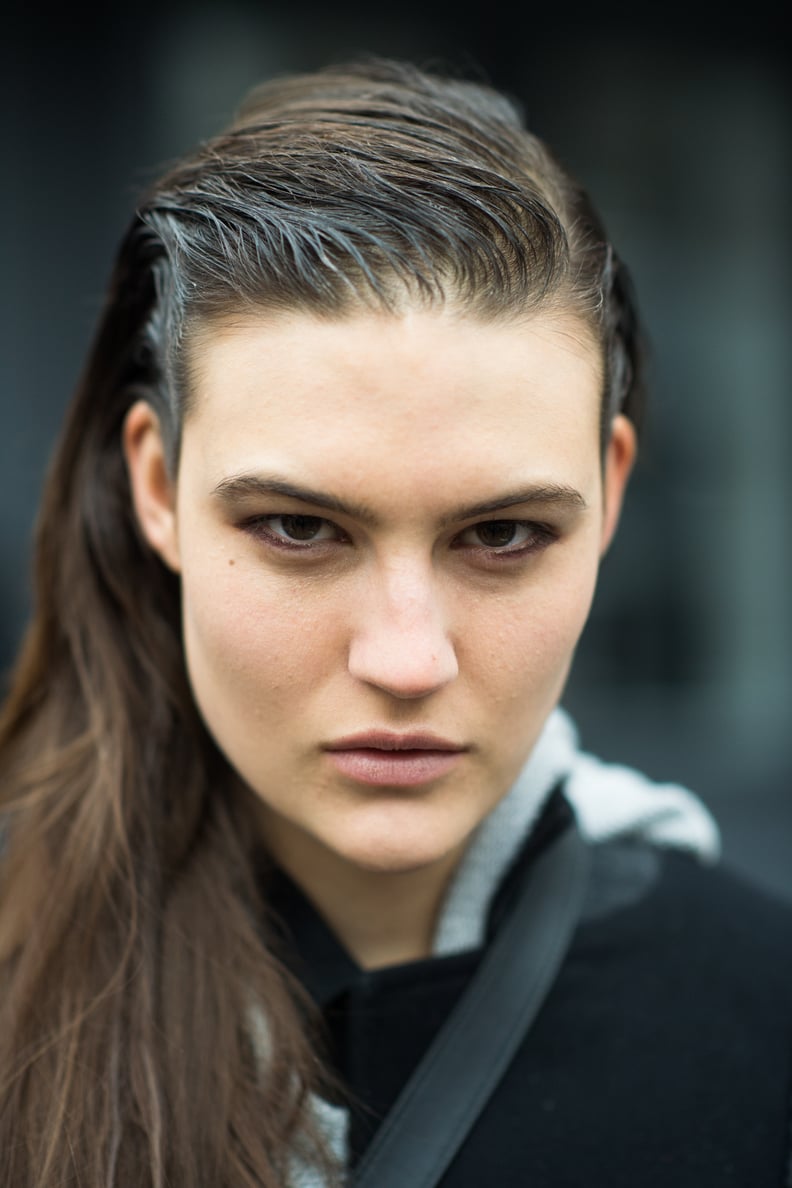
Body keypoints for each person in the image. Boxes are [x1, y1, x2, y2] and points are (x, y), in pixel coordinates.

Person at [0, 57, 789, 1188]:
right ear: (159, 486)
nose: (407, 660)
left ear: (610, 495)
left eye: (504, 535)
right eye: (299, 530)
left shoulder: (762, 1028)